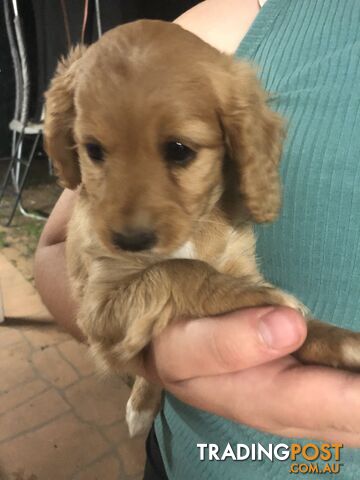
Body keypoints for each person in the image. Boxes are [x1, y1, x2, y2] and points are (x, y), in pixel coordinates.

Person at [35, 0, 360, 478]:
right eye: (95, 149)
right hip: (191, 456)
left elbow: (243, 304)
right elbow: (60, 256)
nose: (130, 220)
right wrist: (156, 367)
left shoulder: (228, 95)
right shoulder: (223, 23)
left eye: (178, 151)